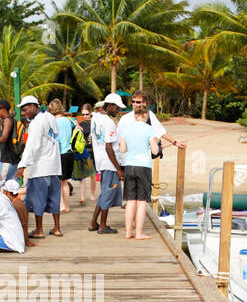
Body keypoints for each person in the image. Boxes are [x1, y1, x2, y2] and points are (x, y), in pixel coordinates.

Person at [115, 90, 185, 239]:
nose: (134, 104)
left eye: (138, 102)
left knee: (130, 200)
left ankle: (128, 232)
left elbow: (121, 147)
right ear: (145, 114)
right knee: (141, 202)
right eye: (133, 101)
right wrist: (150, 147)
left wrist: (173, 141)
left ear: (144, 104)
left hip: (129, 165)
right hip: (143, 167)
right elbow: (154, 148)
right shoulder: (143, 127)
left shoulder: (130, 125)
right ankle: (138, 233)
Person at [14, 95, 63, 238]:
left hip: (40, 168)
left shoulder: (36, 123)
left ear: (34, 106)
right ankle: (57, 228)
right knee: (54, 199)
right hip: (54, 167)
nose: (25, 113)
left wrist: (22, 166)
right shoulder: (50, 118)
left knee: (37, 200)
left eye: (26, 109)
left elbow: (32, 146)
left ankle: (39, 230)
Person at [89, 93, 124, 234]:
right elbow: (109, 147)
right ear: (109, 106)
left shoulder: (96, 118)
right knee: (108, 193)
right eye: (116, 108)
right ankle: (102, 226)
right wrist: (119, 168)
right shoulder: (108, 123)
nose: (118, 111)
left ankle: (93, 223)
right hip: (109, 163)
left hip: (101, 161)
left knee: (104, 193)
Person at [49, 99, 75, 214]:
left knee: (58, 182)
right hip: (69, 152)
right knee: (65, 182)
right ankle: (67, 206)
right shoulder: (69, 120)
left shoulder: (53, 122)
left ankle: (61, 205)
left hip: (59, 154)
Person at [72, 103, 95, 203]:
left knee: (93, 174)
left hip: (93, 151)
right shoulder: (80, 124)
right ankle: (82, 197)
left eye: (87, 114)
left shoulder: (95, 123)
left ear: (91, 113)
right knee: (82, 175)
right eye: (83, 114)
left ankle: (92, 195)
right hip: (83, 150)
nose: (85, 116)